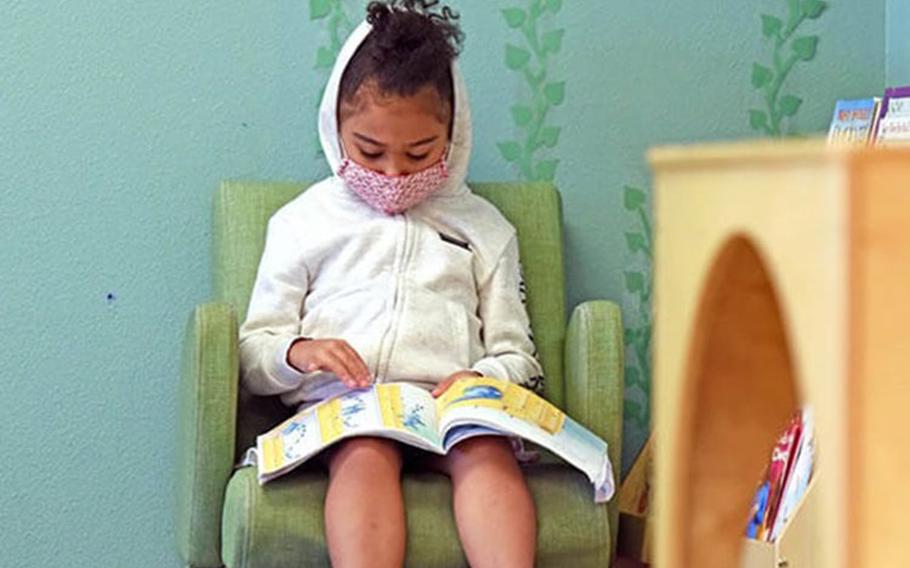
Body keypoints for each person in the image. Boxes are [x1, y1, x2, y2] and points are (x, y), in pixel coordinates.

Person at [239, 1, 544, 566]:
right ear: (335, 128)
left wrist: (481, 378)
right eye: (370, 151)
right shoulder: (302, 223)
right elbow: (254, 353)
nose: (393, 175)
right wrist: (300, 353)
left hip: (451, 410)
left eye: (420, 153)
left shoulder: (485, 230)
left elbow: (517, 354)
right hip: (352, 410)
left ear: (453, 138)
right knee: (365, 453)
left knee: (487, 454)